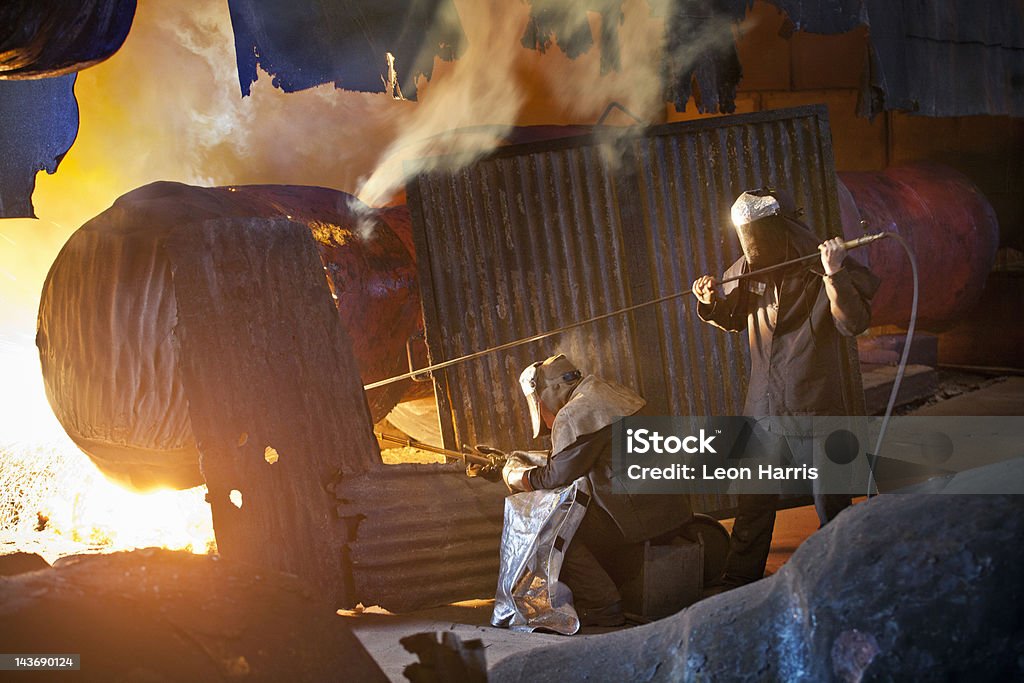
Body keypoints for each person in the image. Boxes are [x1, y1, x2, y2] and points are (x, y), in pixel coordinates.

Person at [691, 188, 880, 587]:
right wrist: (709, 303)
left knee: (830, 498)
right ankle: (740, 579)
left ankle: (843, 571)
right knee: (753, 499)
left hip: (814, 399)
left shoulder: (819, 264)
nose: (752, 249)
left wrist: (834, 274)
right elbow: (733, 318)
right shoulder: (748, 270)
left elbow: (852, 323)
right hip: (765, 401)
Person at [500, 354, 692, 627]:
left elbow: (556, 475)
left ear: (549, 391)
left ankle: (604, 605)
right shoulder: (609, 392)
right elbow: (577, 455)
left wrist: (513, 475)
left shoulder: (577, 412)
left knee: (551, 530)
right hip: (673, 508)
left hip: (641, 518)